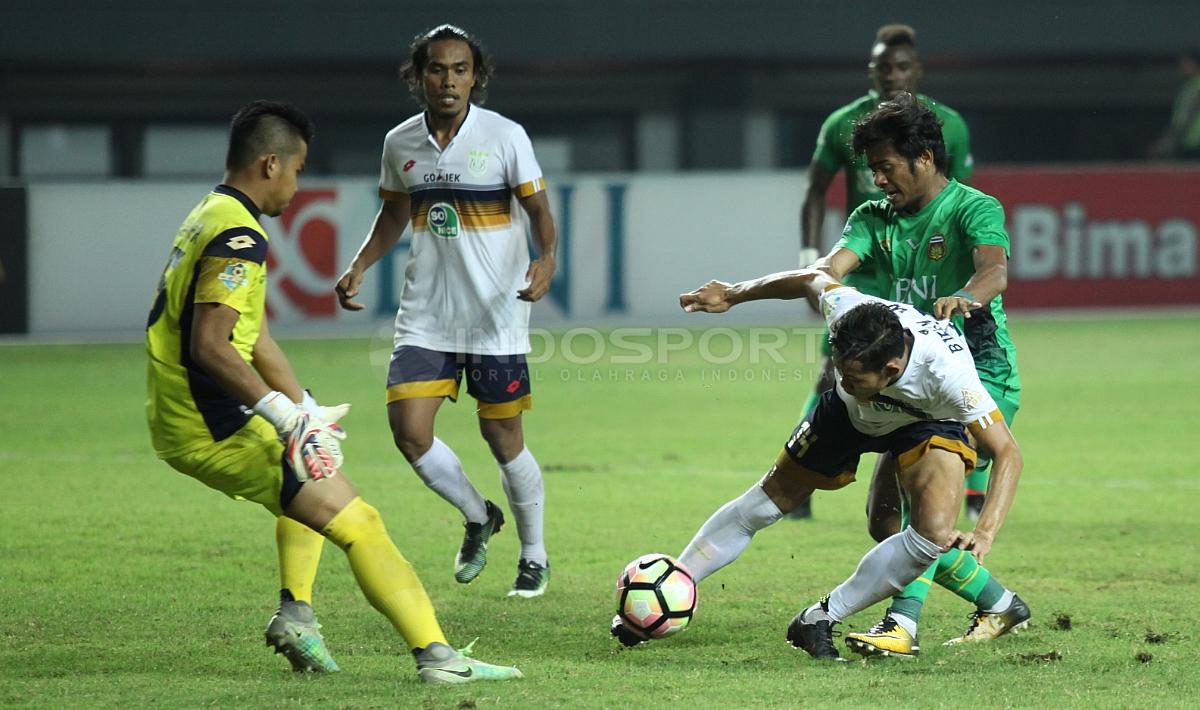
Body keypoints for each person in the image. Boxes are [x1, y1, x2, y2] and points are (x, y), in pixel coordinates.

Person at [145, 99, 522, 684]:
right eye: (296, 170)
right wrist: (280, 415)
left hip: (195, 415)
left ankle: (296, 614)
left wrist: (305, 410)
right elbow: (211, 346)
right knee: (360, 522)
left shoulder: (210, 214)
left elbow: (256, 338)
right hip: (211, 423)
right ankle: (438, 659)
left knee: (306, 477)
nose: (297, 186)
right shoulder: (239, 236)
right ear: (270, 164)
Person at [615, 269, 1024, 660]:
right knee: (770, 501)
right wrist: (733, 293)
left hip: (927, 423)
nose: (843, 380)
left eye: (853, 376)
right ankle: (668, 590)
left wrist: (985, 531)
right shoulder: (849, 310)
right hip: (848, 418)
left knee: (931, 533)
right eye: (840, 370)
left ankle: (819, 618)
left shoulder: (949, 378)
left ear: (891, 370)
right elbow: (811, 278)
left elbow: (1008, 453)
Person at [335, 25, 558, 598]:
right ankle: (479, 515)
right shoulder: (400, 144)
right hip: (427, 314)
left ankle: (534, 555)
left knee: (502, 435)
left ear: (475, 77)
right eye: (437, 69)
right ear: (419, 77)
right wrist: (360, 264)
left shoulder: (505, 136)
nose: (449, 79)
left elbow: (537, 208)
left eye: (461, 69)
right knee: (409, 432)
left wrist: (548, 257)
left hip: (496, 312)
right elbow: (392, 216)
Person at [813, 91, 1024, 656]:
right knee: (884, 523)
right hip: (907, 381)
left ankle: (901, 624)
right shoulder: (872, 218)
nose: (876, 180)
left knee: (920, 510)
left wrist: (964, 296)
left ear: (924, 158)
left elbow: (995, 270)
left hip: (977, 375)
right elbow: (835, 264)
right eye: (872, 169)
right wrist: (820, 278)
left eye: (885, 167)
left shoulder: (972, 208)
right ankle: (1000, 602)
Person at [792, 24, 973, 521]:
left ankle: (964, 484)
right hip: (863, 265)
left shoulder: (948, 125)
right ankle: (804, 476)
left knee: (944, 370)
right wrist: (812, 258)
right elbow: (814, 191)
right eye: (883, 67)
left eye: (901, 67)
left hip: (920, 265)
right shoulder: (844, 124)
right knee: (838, 371)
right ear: (871, 71)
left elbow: (957, 201)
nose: (892, 74)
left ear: (918, 70)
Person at [1149, 49, 1200, 160]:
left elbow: (1187, 117)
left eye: (1184, 63)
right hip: (1191, 142)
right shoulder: (1191, 86)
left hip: (1194, 144)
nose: (1180, 67)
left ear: (1195, 64)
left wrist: (1167, 143)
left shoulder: (1195, 87)